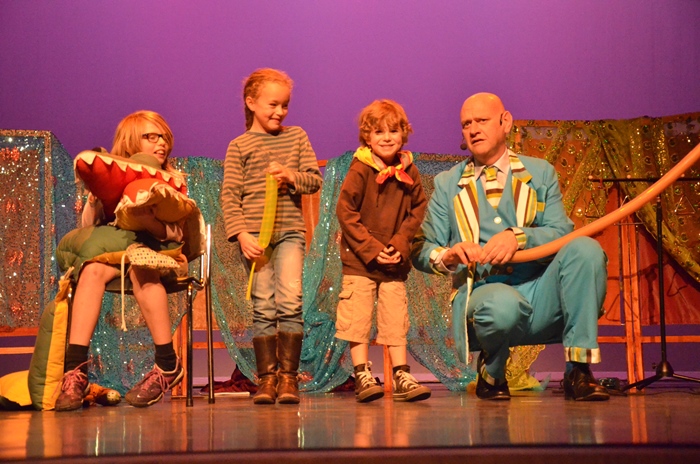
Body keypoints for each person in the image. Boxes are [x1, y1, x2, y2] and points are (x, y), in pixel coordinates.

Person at [411, 92, 610, 401]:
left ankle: (578, 371)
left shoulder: (539, 173)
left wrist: (519, 237)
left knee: (585, 249)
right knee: (500, 305)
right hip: (487, 295)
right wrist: (450, 255)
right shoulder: (449, 184)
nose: (474, 129)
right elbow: (422, 249)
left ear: (505, 122)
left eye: (481, 120)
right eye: (466, 124)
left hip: (541, 293)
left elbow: (561, 232)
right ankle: (492, 371)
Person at [56, 110, 190, 411]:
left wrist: (148, 220)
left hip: (155, 255)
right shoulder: (112, 177)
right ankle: (75, 370)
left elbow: (177, 232)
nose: (161, 143)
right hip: (115, 254)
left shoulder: (169, 180)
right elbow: (89, 228)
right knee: (91, 270)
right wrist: (96, 199)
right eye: (151, 137)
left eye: (165, 137)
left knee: (142, 268)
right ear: (130, 143)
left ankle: (167, 363)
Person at [221, 68, 323, 405]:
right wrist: (240, 233)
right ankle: (266, 379)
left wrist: (290, 176)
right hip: (255, 239)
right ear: (251, 102)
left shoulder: (296, 137)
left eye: (285, 105)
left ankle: (288, 378)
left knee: (290, 301)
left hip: (289, 233)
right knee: (263, 305)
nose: (280, 112)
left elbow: (314, 180)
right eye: (273, 105)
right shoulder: (239, 145)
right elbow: (229, 195)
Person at [335, 99, 430, 403]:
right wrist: (372, 249)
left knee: (395, 317)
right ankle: (362, 374)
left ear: (404, 134)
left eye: (393, 131)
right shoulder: (361, 168)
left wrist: (399, 244)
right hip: (361, 261)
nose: (387, 137)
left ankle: (401, 374)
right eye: (379, 132)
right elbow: (346, 211)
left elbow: (417, 210)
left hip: (393, 261)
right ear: (367, 136)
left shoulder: (409, 170)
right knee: (358, 316)